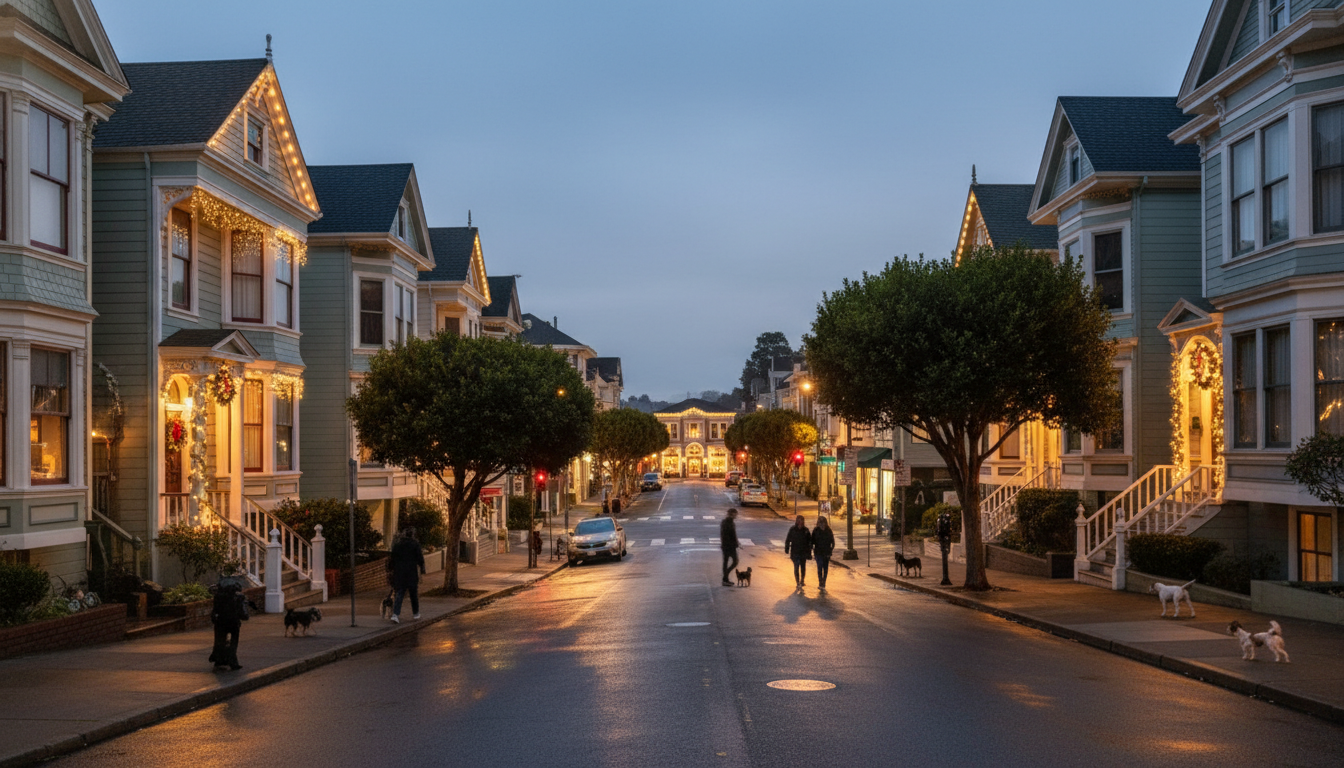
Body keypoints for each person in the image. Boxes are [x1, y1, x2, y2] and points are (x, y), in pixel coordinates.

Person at [387, 526, 426, 623]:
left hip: (399, 572)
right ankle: (416, 614)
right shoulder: (415, 544)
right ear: (412, 534)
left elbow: (392, 558)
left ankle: (395, 615)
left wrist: (391, 569)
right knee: (413, 594)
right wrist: (422, 568)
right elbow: (420, 558)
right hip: (411, 572)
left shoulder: (398, 544)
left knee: (400, 593)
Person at [208, 578, 248, 670]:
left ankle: (219, 659)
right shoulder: (237, 597)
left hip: (220, 622)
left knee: (220, 640)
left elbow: (215, 609)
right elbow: (241, 610)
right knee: (233, 642)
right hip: (233, 622)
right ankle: (233, 661)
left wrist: (214, 619)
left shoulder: (218, 597)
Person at [784, 515, 813, 588]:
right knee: (796, 567)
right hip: (795, 551)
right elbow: (788, 539)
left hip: (803, 552)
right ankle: (797, 582)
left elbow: (809, 541)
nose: (800, 522)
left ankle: (802, 580)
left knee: (803, 567)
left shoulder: (806, 530)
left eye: (801, 520)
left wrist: (809, 551)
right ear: (796, 521)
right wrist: (787, 548)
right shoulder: (793, 529)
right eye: (798, 520)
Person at [812, 516, 835, 590]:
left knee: (825, 568)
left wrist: (831, 550)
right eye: (820, 522)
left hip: (826, 552)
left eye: (823, 522)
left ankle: (824, 582)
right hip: (818, 552)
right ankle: (820, 582)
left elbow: (832, 541)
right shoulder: (816, 530)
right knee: (819, 567)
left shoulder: (828, 530)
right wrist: (812, 548)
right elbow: (812, 541)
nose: (822, 524)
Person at [720, 508, 740, 587]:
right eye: (735, 514)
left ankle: (725, 579)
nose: (736, 516)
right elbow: (732, 535)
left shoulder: (725, 522)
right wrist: (736, 543)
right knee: (735, 561)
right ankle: (725, 577)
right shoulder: (729, 523)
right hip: (730, 546)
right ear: (732, 514)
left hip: (725, 545)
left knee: (726, 562)